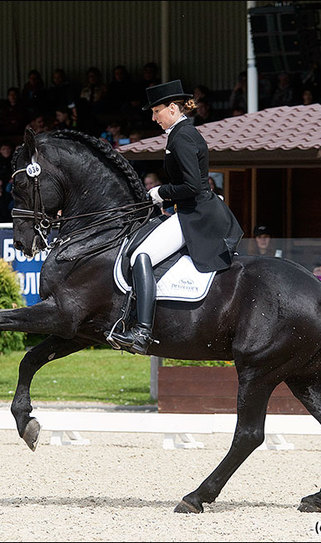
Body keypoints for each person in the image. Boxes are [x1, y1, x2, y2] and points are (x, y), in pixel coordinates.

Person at [108, 80, 243, 355]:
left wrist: (160, 192)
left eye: (157, 111)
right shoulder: (182, 133)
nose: (154, 117)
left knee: (141, 256)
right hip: (191, 210)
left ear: (172, 108)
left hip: (197, 215)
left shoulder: (181, 137)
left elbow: (192, 186)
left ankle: (142, 331)